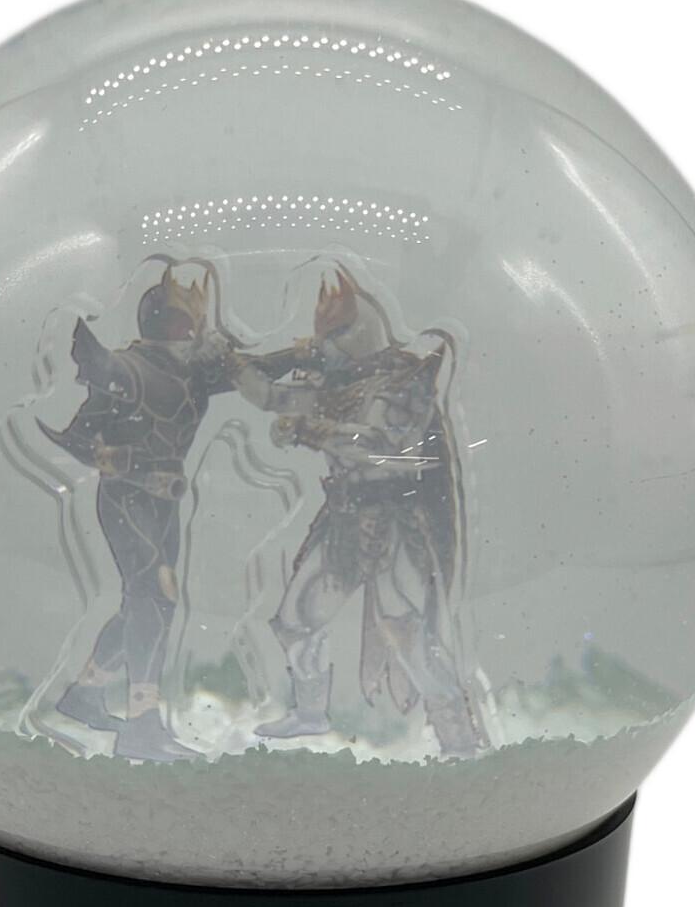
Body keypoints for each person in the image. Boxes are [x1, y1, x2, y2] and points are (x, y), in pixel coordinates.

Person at [39, 265, 299, 761]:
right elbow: (76, 438)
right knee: (153, 599)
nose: (200, 328)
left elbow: (257, 369)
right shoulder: (125, 371)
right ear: (171, 323)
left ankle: (86, 692)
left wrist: (307, 354)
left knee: (149, 604)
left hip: (165, 502)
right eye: (190, 320)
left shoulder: (191, 372)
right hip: (128, 499)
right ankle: (142, 724)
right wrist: (122, 462)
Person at [255, 270, 486, 758]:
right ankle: (310, 712)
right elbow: (269, 397)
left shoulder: (406, 382)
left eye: (334, 333)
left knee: (409, 634)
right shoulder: (331, 385)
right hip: (343, 517)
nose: (326, 346)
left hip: (397, 521)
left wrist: (310, 430)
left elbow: (386, 449)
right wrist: (233, 362)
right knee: (296, 617)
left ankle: (460, 740)